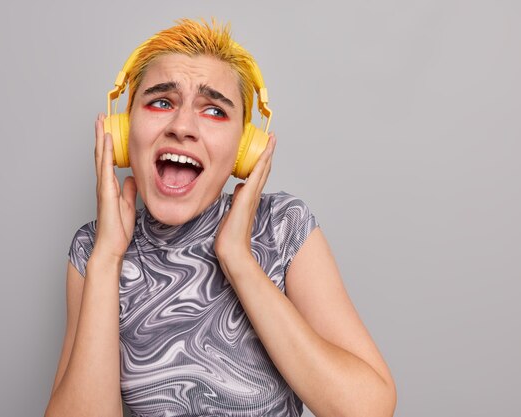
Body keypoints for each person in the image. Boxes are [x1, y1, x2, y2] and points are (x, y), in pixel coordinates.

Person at [45, 18, 396, 417]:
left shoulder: (281, 228)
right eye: (161, 102)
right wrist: (107, 260)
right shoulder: (95, 250)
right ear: (124, 131)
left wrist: (238, 260)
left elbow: (368, 409)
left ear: (245, 150)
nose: (182, 127)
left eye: (214, 110)